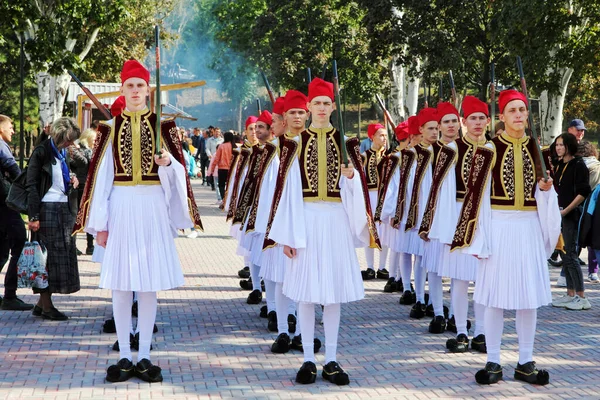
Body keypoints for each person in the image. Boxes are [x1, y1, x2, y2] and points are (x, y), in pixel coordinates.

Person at [73, 60, 202, 383]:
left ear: (148, 90)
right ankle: (124, 356)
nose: (134, 91)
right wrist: (99, 223)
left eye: (139, 86)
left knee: (148, 284)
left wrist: (167, 161)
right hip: (120, 207)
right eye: (129, 86)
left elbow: (180, 176)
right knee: (120, 283)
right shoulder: (108, 128)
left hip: (152, 206)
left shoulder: (164, 127)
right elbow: (100, 179)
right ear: (123, 89)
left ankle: (144, 353)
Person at [268, 77, 380, 385]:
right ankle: (307, 359)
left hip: (334, 221)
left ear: (333, 107)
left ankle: (331, 358)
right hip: (303, 220)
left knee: (331, 295)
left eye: (325, 103)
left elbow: (360, 195)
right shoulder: (291, 144)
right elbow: (284, 191)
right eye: (315, 104)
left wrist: (351, 177)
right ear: (307, 108)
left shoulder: (348, 144)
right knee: (305, 294)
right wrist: (285, 235)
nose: (320, 108)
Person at [452, 89, 560, 385]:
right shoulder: (487, 150)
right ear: (502, 116)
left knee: (529, 299)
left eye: (522, 110)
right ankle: (493, 361)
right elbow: (475, 197)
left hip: (528, 228)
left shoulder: (538, 150)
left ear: (527, 115)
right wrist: (478, 236)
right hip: (497, 226)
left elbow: (545, 194)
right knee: (495, 299)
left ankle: (526, 361)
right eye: (512, 111)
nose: (518, 116)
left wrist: (547, 190)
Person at [435, 97, 488, 351]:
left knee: (483, 279)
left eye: (481, 118)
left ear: (488, 121)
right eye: (472, 118)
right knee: (459, 279)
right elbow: (443, 192)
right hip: (458, 217)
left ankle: (482, 331)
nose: (477, 123)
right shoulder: (452, 150)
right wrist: (447, 229)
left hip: (486, 219)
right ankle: (461, 331)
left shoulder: (494, 148)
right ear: (464, 122)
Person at [26, 117, 82, 320]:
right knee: (47, 259)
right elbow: (31, 185)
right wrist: (33, 216)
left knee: (60, 257)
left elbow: (61, 175)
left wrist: (72, 177)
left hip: (64, 208)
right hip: (47, 209)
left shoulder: (63, 152)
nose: (71, 144)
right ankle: (47, 307)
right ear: (58, 136)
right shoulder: (41, 152)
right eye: (68, 139)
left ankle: (42, 305)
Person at [550, 133, 591, 310]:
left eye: (561, 145)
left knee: (572, 254)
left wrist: (566, 210)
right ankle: (570, 293)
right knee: (565, 254)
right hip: (560, 214)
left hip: (571, 215)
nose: (558, 148)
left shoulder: (578, 165)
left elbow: (583, 192)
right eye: (557, 145)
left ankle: (581, 297)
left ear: (569, 146)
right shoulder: (560, 165)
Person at [0, 115, 34, 311]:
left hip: (3, 204)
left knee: (2, 249)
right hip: (6, 204)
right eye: (10, 127)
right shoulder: (1, 146)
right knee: (19, 244)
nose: (12, 131)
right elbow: (13, 169)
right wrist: (25, 185)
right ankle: (10, 296)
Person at [360, 123, 389, 281]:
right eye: (380, 135)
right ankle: (370, 267)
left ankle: (382, 267)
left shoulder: (390, 157)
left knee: (384, 232)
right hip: (370, 197)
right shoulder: (363, 157)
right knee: (369, 231)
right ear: (372, 137)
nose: (384, 138)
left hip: (385, 198)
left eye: (385, 135)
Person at [68, 128, 96, 255]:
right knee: (86, 216)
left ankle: (78, 245)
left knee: (79, 216)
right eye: (94, 140)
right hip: (85, 186)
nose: (96, 142)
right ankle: (89, 246)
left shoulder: (78, 151)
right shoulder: (88, 151)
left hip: (80, 185)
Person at [209, 131, 234, 202]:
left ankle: (223, 199)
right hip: (232, 169)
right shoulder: (234, 146)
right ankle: (230, 199)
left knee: (221, 185)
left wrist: (212, 169)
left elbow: (217, 158)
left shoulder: (221, 146)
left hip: (222, 168)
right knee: (230, 185)